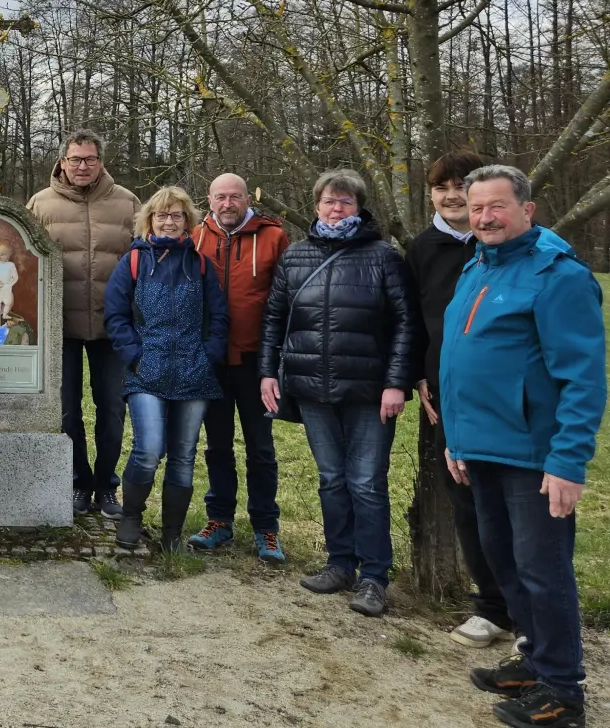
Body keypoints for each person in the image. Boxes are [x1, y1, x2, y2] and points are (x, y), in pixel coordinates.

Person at [444, 165, 605, 728]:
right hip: (481, 449)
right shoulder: (478, 267)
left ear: (527, 210)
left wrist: (567, 461)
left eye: (498, 206)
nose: (486, 217)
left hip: (533, 457)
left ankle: (563, 692)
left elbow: (583, 379)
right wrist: (456, 441)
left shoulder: (558, 276)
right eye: (477, 207)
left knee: (543, 571)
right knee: (505, 565)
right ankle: (534, 663)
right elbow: (461, 363)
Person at [260, 169, 418, 618]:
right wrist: (268, 373)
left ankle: (374, 576)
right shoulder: (297, 257)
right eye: (329, 201)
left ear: (359, 207)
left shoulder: (383, 257)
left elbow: (406, 323)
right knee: (331, 479)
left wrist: (395, 382)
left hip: (369, 391)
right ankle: (339, 563)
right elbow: (274, 319)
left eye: (346, 202)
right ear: (316, 206)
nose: (336, 209)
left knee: (366, 483)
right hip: (312, 387)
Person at [404, 151, 514, 648]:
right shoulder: (422, 248)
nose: (451, 195)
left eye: (460, 186)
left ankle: (531, 611)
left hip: (508, 394)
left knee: (517, 504)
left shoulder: (505, 246)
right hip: (444, 393)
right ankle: (491, 607)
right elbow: (414, 321)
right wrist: (419, 378)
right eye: (441, 186)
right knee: (466, 499)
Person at [103, 187, 229, 551]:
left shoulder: (201, 264)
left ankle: (172, 532)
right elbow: (116, 314)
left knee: (184, 455)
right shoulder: (133, 262)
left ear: (187, 221)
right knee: (148, 449)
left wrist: (209, 355)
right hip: (147, 372)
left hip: (194, 372)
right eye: (162, 215)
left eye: (176, 216)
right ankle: (131, 516)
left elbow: (218, 316)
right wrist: (135, 356)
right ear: (150, 220)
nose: (169, 221)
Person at [27, 130, 140, 519]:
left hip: (114, 329)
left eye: (89, 159)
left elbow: (145, 262)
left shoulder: (127, 204)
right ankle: (77, 481)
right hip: (61, 328)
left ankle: (107, 487)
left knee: (112, 409)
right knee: (65, 410)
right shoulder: (40, 205)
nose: (82, 166)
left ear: (101, 162)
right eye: (75, 159)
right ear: (62, 161)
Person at [187, 173, 291, 562]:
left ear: (248, 198)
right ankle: (219, 520)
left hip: (256, 361)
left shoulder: (273, 237)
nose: (228, 204)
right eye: (220, 197)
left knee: (261, 447)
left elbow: (285, 300)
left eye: (235, 197)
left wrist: (276, 356)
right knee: (217, 446)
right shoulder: (195, 237)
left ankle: (266, 527)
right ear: (209, 200)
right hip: (211, 360)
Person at [0, 243, 19, 328]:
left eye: (3, 254)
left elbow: (15, 277)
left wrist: (10, 284)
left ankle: (5, 314)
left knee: (8, 303)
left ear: (9, 254)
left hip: (6, 288)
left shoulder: (10, 265)